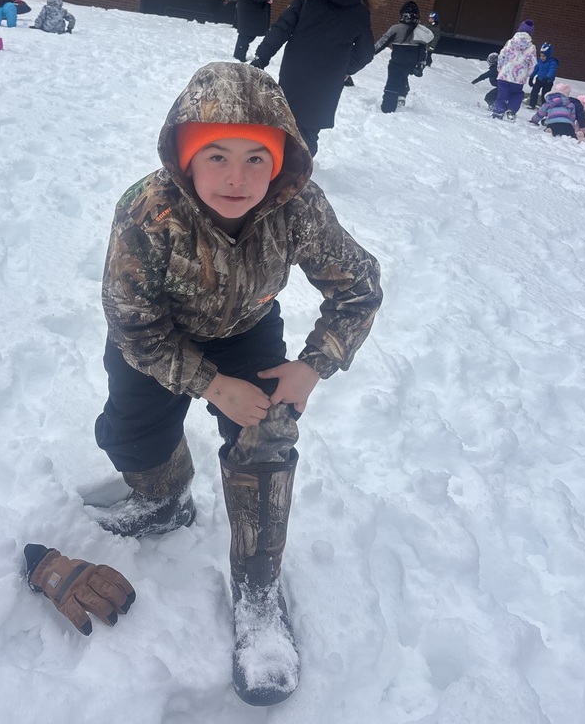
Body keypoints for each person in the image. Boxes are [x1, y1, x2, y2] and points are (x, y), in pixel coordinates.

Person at [92, 61, 383, 705]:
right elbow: (132, 325)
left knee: (268, 437)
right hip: (161, 339)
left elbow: (358, 287)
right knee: (132, 438)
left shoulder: (296, 206)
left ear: (280, 161)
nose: (237, 177)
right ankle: (166, 499)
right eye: (216, 155)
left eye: (258, 158)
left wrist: (315, 362)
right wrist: (210, 383)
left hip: (248, 328)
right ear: (185, 156)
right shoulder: (147, 211)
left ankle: (257, 593)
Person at [250, 0, 377, 156]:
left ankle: (277, 168)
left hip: (296, 71)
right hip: (328, 79)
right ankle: (298, 175)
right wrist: (345, 69)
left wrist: (261, 57)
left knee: (285, 123)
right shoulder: (360, 10)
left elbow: (282, 27)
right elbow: (365, 52)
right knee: (309, 132)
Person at [374, 0, 434, 113]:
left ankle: (387, 108)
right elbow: (422, 50)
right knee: (402, 77)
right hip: (411, 64)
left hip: (397, 62)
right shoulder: (420, 31)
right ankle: (401, 96)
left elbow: (382, 43)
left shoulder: (396, 28)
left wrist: (370, 52)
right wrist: (421, 64)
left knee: (392, 83)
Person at [491, 20, 537, 121]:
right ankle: (510, 111)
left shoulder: (510, 42)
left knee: (502, 94)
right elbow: (533, 64)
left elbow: (501, 56)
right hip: (519, 77)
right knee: (517, 94)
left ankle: (498, 111)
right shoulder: (532, 47)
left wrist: (500, 69)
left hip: (504, 74)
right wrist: (526, 74)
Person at [527, 42, 559, 108]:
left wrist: (548, 77)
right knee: (534, 91)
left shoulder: (552, 62)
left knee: (545, 94)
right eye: (541, 56)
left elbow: (552, 70)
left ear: (548, 55)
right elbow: (536, 69)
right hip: (539, 79)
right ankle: (532, 104)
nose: (542, 58)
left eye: (544, 56)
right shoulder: (539, 61)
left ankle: (544, 107)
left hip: (548, 81)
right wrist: (531, 77)